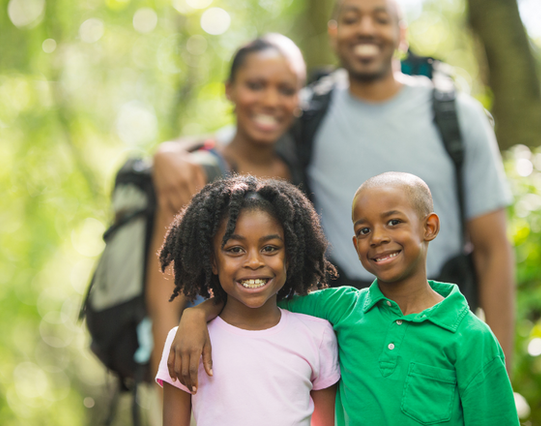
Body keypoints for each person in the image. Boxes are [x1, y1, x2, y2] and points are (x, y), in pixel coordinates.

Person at [155, 0, 515, 367]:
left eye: (380, 18)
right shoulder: (309, 111)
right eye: (351, 18)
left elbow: (493, 250)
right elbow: (242, 135)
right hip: (346, 335)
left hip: (444, 333)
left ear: (402, 34)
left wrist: (500, 368)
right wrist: (168, 153)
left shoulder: (457, 116)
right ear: (334, 33)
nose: (365, 29)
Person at [169, 172, 520, 426]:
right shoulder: (340, 309)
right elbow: (254, 294)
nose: (378, 238)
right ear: (354, 244)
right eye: (364, 230)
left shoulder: (471, 337)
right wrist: (195, 316)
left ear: (428, 227)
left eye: (393, 222)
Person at [145, 33, 308, 383]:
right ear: (229, 90)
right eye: (255, 85)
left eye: (285, 89)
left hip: (284, 379)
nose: (270, 100)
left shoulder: (301, 170)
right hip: (211, 376)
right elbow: (164, 305)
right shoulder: (194, 175)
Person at [155, 175, 340, 426]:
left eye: (270, 248)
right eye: (235, 250)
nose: (254, 261)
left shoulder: (318, 336)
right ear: (212, 261)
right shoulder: (186, 341)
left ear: (290, 257)